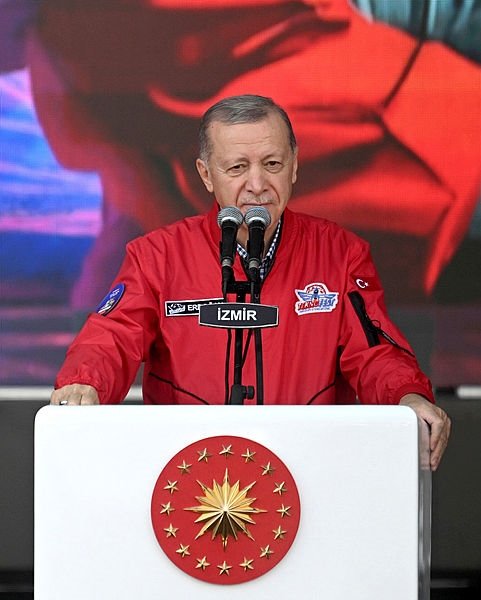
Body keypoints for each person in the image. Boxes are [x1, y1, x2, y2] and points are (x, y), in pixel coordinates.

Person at [51, 94, 451, 470]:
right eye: (237, 168)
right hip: (188, 479)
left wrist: (407, 396)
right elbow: (112, 337)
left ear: (294, 165)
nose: (257, 184)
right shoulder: (157, 256)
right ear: (206, 175)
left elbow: (375, 353)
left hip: (309, 473)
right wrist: (84, 383)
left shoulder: (340, 254)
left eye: (272, 164)